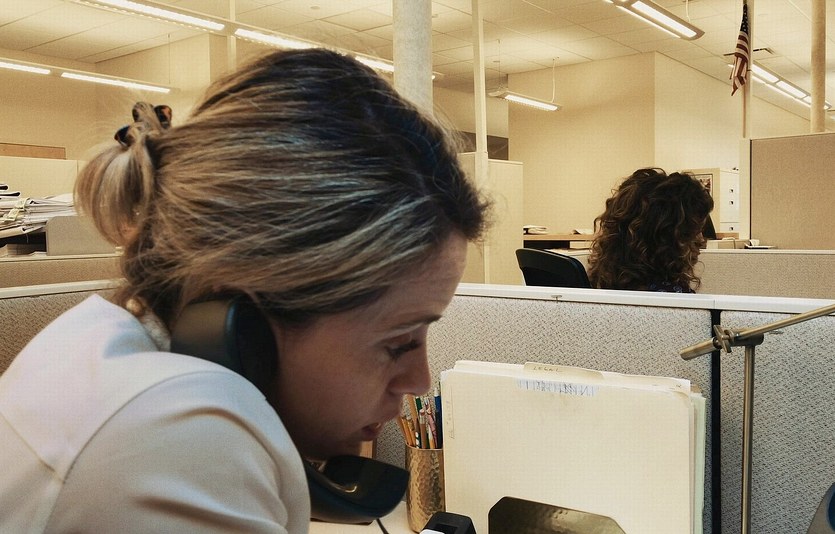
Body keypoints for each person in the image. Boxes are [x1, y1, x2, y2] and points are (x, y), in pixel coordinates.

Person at [0, 48, 488, 532]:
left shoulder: (94, 345)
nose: (419, 380)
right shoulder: (177, 433)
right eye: (398, 342)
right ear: (245, 311)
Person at [586, 167, 713, 293]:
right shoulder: (673, 299)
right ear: (663, 237)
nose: (701, 240)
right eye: (692, 232)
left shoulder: (603, 287)